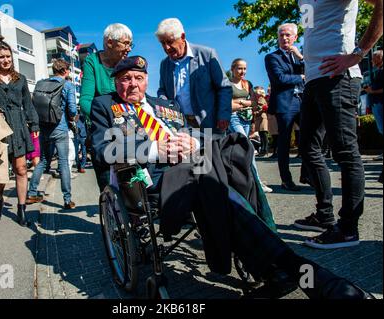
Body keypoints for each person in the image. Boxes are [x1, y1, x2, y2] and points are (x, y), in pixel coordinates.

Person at [91, 55, 374, 299]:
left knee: (235, 148)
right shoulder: (105, 106)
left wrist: (193, 143)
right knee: (211, 175)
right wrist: (155, 148)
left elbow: (196, 135)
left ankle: (278, 267)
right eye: (126, 79)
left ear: (146, 79)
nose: (132, 84)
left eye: (138, 78)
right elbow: (104, 149)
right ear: (116, 81)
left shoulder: (166, 106)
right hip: (157, 182)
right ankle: (306, 274)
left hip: (200, 169)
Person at [296, 0, 383, 249]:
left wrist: (357, 54)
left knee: (344, 151)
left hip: (338, 77)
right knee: (307, 147)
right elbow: (312, 32)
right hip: (313, 79)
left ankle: (347, 229)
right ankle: (324, 214)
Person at [0, 36, 39, 226]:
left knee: (21, 169)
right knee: (0, 173)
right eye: (1, 57)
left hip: (18, 125)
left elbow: (28, 104)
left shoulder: (20, 79)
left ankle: (21, 209)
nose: (6, 60)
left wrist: (34, 124)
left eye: (8, 57)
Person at [79, 23, 133, 192]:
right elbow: (86, 101)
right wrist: (106, 121)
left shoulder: (127, 63)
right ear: (110, 43)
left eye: (131, 44)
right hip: (103, 128)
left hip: (128, 127)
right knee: (108, 184)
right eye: (125, 43)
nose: (129, 49)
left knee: (134, 181)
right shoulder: (92, 62)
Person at [156, 18, 231, 132]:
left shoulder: (207, 55)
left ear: (182, 37)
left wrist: (223, 114)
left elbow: (224, 87)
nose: (166, 47)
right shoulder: (164, 64)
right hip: (179, 125)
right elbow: (162, 90)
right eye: (163, 43)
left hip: (209, 122)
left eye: (170, 41)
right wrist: (165, 105)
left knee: (210, 150)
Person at [27, 58, 77, 209]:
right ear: (65, 71)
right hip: (60, 128)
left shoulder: (41, 84)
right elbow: (72, 109)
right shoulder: (68, 85)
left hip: (44, 127)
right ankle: (67, 200)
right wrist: (71, 119)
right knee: (63, 162)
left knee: (42, 161)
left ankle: (31, 193)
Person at [265, 23, 305, 192]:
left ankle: (307, 174)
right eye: (281, 35)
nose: (284, 38)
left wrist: (301, 58)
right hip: (285, 104)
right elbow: (280, 79)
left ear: (295, 37)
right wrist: (301, 76)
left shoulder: (298, 56)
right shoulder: (272, 57)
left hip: (302, 101)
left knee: (310, 139)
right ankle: (286, 179)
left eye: (288, 35)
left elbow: (311, 70)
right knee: (284, 142)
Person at [229, 59, 272, 193]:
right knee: (248, 147)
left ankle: (242, 181)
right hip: (233, 118)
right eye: (240, 68)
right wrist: (245, 102)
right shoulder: (227, 84)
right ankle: (257, 183)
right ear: (233, 69)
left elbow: (254, 102)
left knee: (239, 151)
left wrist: (239, 102)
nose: (243, 72)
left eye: (245, 68)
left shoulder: (248, 84)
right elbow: (227, 105)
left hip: (246, 119)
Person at [364, 49, 383, 180]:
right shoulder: (379, 71)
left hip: (381, 103)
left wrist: (372, 91)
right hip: (377, 103)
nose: (371, 61)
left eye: (374, 58)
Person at [254, 86, 269, 157]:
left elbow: (262, 108)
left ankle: (264, 150)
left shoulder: (261, 98)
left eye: (256, 91)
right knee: (261, 134)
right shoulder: (258, 98)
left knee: (263, 134)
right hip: (259, 118)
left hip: (262, 117)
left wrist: (256, 112)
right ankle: (263, 150)